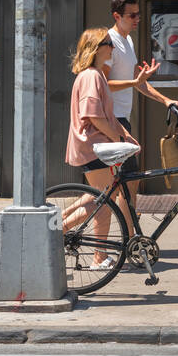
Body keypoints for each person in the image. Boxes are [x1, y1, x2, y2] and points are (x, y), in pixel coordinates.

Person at [61, 28, 137, 268]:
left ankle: (56, 226)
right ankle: (58, 234)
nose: (112, 48)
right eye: (108, 43)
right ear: (96, 47)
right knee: (103, 200)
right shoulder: (92, 76)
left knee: (100, 196)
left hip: (94, 146)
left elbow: (107, 116)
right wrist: (118, 138)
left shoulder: (94, 75)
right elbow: (94, 117)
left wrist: (125, 135)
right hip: (94, 146)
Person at [104, 0, 178, 210]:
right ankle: (63, 227)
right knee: (120, 185)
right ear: (117, 16)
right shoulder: (110, 41)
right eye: (132, 15)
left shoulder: (128, 40)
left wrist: (166, 100)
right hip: (112, 120)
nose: (137, 18)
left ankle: (129, 236)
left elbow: (138, 83)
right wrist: (134, 81)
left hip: (121, 119)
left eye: (139, 14)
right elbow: (103, 83)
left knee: (125, 184)